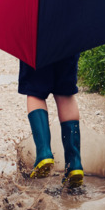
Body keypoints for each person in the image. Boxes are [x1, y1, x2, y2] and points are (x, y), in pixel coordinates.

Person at [18, 53, 83, 188]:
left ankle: (44, 153)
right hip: (68, 41)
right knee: (65, 93)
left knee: (35, 91)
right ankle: (74, 163)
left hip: (37, 44)